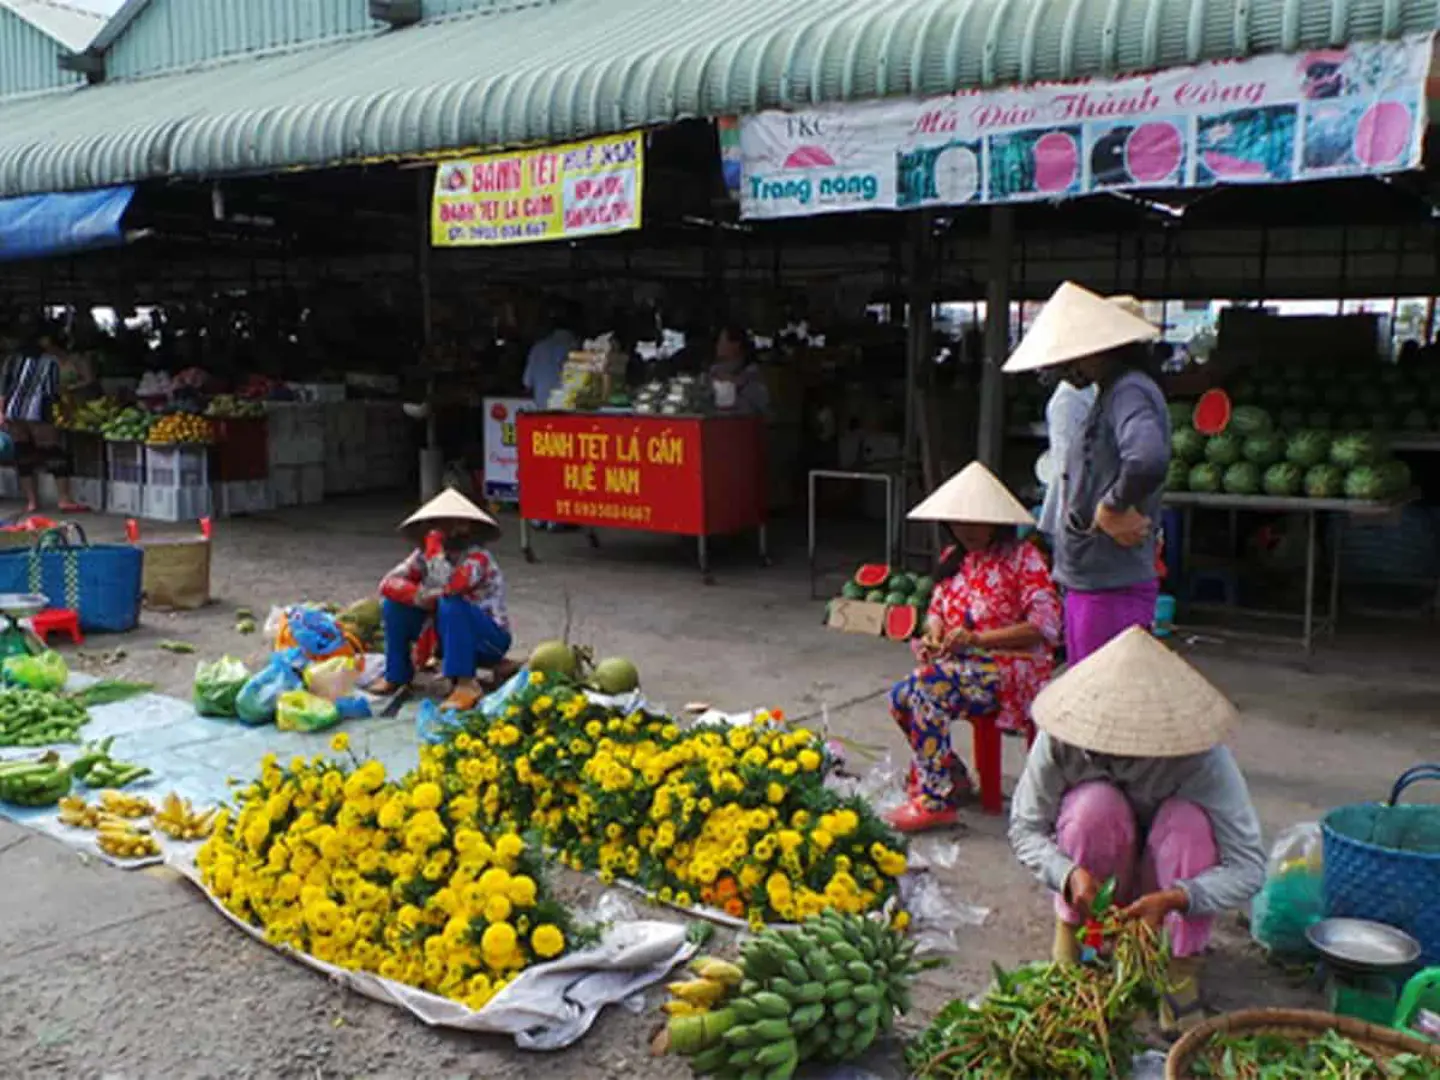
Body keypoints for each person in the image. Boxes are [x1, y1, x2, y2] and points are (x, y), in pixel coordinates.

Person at [1008, 625, 1266, 1034]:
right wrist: (1068, 875)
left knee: (1189, 823)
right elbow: (1025, 829)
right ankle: (1077, 938)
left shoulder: (1201, 761)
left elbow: (1249, 867)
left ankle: (1180, 968)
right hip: (1100, 884)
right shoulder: (1062, 740)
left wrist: (1180, 897)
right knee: (1093, 806)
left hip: (1167, 889)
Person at [887, 462, 1061, 833]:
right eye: (960, 522)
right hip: (962, 669)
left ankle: (936, 800)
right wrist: (935, 634)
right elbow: (936, 609)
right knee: (901, 695)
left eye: (976, 522)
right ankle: (952, 775)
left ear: (996, 522)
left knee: (927, 688)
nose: (967, 531)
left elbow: (1043, 627)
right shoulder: (954, 558)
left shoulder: (1023, 559)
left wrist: (979, 640)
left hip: (1014, 670)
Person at [1004, 282, 1169, 663]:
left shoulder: (1130, 391)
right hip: (1092, 578)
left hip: (1112, 584)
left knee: (1102, 701)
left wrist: (1111, 506)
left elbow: (1147, 458)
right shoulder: (1109, 392)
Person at [372, 489, 516, 711]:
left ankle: (466, 683)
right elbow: (388, 584)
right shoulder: (421, 556)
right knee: (394, 606)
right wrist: (419, 596)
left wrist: (435, 554)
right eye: (440, 524)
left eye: (455, 524)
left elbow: (451, 586)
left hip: (488, 640)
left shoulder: (478, 558)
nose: (448, 530)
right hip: (445, 637)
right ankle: (397, 674)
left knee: (451, 603)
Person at [0, 321, 89, 513]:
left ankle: (31, 502)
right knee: (52, 451)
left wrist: (1, 412)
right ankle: (64, 500)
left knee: (23, 454)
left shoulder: (13, 360)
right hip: (38, 409)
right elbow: (52, 391)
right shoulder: (49, 362)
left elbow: (3, 389)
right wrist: (65, 410)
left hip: (14, 410)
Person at [1036, 372, 1097, 546]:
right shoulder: (1069, 399)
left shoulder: (1090, 392)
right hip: (1075, 514)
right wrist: (1073, 523)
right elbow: (1067, 466)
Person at [521, 302, 579, 413]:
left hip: (543, 411)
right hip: (570, 413)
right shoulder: (578, 351)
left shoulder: (538, 348)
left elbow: (527, 383)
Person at [710, 324, 769, 417]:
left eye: (721, 341)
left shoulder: (752, 375)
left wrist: (734, 382)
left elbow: (761, 406)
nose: (718, 345)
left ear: (736, 344)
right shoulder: (713, 373)